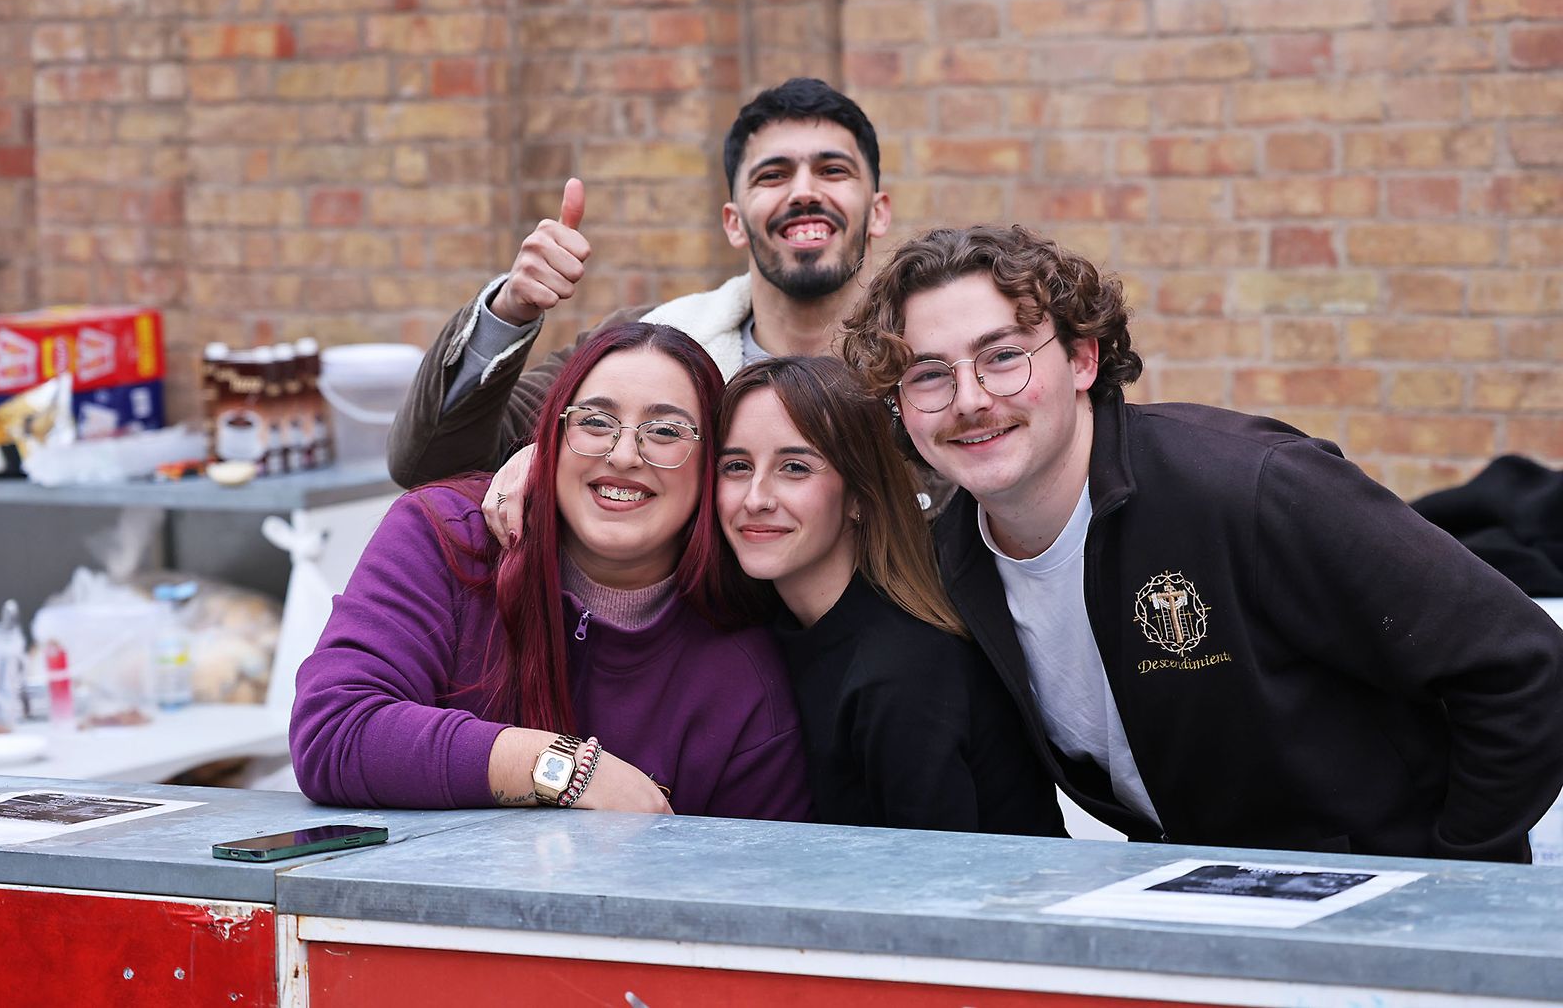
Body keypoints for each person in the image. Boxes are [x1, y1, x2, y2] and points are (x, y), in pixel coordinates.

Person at [840, 224, 1563, 862]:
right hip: (1209, 927)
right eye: (930, 373)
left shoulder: (1248, 489)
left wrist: (1452, 881)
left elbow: (1522, 666)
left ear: (1083, 360)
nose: (969, 399)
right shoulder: (949, 562)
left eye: (1002, 356)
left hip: (1391, 925)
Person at [383, 77, 953, 540]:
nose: (803, 192)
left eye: (833, 170)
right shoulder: (647, 342)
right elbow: (428, 465)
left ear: (877, 211)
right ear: (734, 221)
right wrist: (511, 311)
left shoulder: (937, 367)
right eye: (773, 175)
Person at [291, 322, 810, 819]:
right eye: (595, 422)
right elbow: (334, 730)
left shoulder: (743, 675)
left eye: (666, 431)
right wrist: (566, 770)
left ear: (711, 464)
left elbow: (752, 883)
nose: (624, 454)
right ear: (551, 440)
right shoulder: (446, 537)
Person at [716, 356, 1066, 836]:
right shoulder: (773, 631)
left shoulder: (904, 671)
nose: (755, 497)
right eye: (736, 466)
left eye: (794, 467)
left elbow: (931, 889)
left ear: (859, 496)